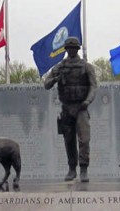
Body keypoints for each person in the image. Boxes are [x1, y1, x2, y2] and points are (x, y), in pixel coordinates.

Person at [44, 37, 97, 183]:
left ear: (77, 49)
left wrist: (87, 101)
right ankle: (72, 169)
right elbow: (46, 84)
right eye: (69, 48)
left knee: (84, 139)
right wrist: (56, 78)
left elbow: (93, 86)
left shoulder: (86, 67)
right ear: (66, 49)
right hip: (66, 108)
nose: (72, 50)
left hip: (81, 108)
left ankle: (84, 169)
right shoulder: (59, 67)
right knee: (69, 140)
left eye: (74, 48)